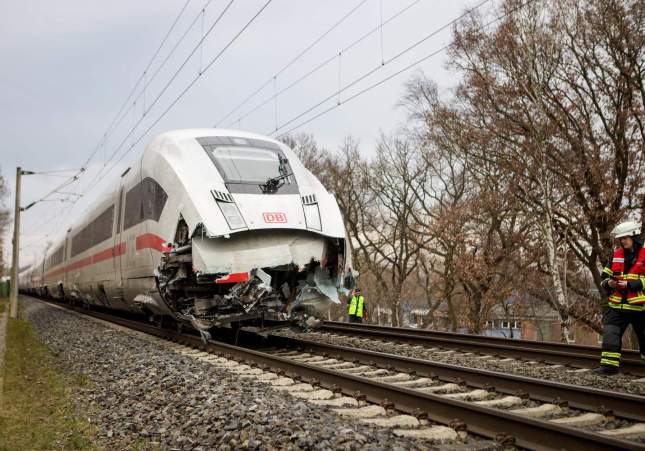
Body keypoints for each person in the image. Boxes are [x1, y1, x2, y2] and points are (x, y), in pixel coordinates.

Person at [594, 220, 645, 375]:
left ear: (635, 237)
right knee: (610, 334)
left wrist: (630, 285)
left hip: (641, 308)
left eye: (626, 238)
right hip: (617, 307)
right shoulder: (616, 255)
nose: (623, 241)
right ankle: (609, 367)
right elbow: (603, 277)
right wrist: (609, 283)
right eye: (621, 239)